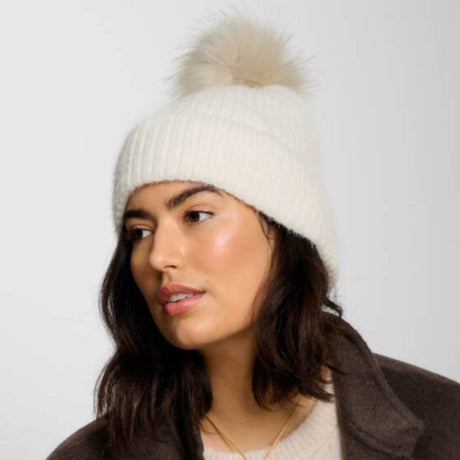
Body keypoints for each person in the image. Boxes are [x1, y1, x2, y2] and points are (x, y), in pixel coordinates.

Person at [46, 10, 460, 460]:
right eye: (139, 232)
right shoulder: (87, 455)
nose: (158, 256)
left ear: (287, 230)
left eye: (196, 215)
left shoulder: (446, 424)